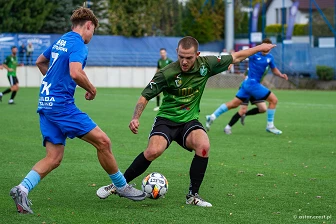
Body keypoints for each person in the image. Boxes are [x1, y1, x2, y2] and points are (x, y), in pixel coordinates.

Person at [96, 36, 276, 207]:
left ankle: (193, 196)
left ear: (197, 55)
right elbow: (144, 97)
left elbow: (237, 57)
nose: (184, 61)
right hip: (166, 120)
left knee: (204, 145)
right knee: (153, 151)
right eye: (181, 56)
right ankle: (119, 185)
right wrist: (135, 117)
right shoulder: (166, 73)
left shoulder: (207, 64)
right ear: (177, 52)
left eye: (188, 58)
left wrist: (261, 47)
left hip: (189, 121)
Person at [9, 6, 146, 215]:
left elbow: (40, 61)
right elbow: (75, 72)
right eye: (93, 31)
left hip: (45, 104)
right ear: (88, 26)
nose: (92, 36)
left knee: (54, 157)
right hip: (61, 106)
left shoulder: (61, 40)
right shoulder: (79, 44)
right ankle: (121, 185)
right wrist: (91, 88)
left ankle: (22, 189)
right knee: (103, 142)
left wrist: (55, 81)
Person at [205, 38, 288, 135]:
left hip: (248, 85)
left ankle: (212, 116)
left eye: (270, 46)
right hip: (252, 84)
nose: (268, 48)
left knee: (234, 104)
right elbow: (241, 55)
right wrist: (230, 62)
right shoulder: (254, 54)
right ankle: (270, 126)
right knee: (273, 100)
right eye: (266, 46)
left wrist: (281, 75)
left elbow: (274, 70)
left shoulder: (270, 58)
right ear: (262, 46)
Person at [223, 67, 269, 134]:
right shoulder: (254, 64)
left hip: (255, 89)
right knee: (242, 110)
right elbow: (245, 75)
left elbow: (262, 78)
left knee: (263, 108)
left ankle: (244, 114)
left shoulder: (267, 66)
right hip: (246, 89)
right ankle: (227, 127)